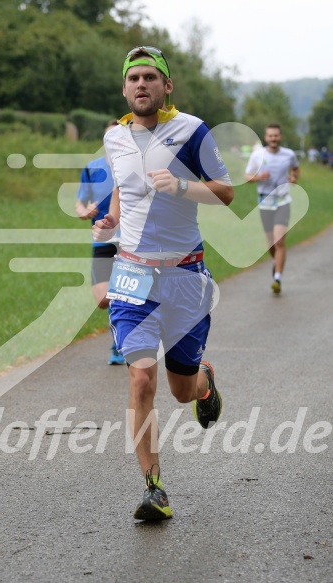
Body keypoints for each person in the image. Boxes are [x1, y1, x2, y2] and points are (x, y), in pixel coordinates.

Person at [93, 46, 234, 521]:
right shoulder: (114, 136)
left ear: (166, 86)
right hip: (132, 273)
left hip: (185, 276)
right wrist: (111, 215)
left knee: (179, 390)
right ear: (124, 87)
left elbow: (225, 192)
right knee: (140, 378)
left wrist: (180, 186)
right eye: (133, 78)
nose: (141, 85)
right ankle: (154, 487)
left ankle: (204, 382)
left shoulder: (192, 130)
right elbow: (123, 181)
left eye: (151, 77)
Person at [76, 120, 125, 365]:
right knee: (103, 300)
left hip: (131, 242)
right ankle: (125, 325)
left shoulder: (133, 169)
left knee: (125, 292)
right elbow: (79, 202)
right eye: (109, 137)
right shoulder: (92, 168)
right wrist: (85, 211)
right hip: (102, 241)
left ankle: (120, 342)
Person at [245, 124, 299, 294]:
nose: (273, 138)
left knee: (280, 241)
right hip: (265, 202)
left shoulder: (289, 154)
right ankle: (277, 261)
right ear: (266, 137)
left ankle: (277, 278)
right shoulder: (257, 155)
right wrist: (258, 177)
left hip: (283, 201)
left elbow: (296, 169)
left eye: (276, 135)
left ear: (280, 136)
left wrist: (294, 177)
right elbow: (247, 176)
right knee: (270, 244)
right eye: (270, 136)